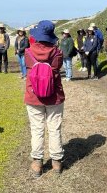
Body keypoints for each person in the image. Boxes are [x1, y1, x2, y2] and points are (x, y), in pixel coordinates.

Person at [24, 20, 65, 177]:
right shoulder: (57, 53)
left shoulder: (28, 53)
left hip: (33, 96)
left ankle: (37, 163)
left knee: (37, 128)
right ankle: (57, 163)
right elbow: (56, 67)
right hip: (54, 97)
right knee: (54, 128)